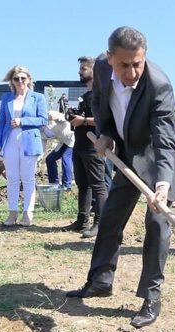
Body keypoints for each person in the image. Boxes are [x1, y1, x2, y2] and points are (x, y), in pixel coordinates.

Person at [65, 27, 175, 329]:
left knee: (157, 222)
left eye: (138, 63)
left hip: (165, 155)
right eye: (124, 65)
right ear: (110, 59)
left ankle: (151, 295)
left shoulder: (158, 85)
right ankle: (100, 280)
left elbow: (163, 140)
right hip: (130, 152)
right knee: (110, 215)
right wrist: (106, 133)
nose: (132, 72)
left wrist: (162, 185)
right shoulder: (101, 67)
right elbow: (99, 101)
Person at [0, 66, 48, 227]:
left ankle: (27, 213)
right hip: (10, 140)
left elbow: (43, 120)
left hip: (29, 141)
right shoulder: (6, 98)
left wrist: (22, 121)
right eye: (16, 79)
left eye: (23, 78)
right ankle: (12, 213)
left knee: (28, 178)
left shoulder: (37, 97)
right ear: (12, 81)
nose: (20, 81)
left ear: (29, 80)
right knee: (12, 178)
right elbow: (1, 123)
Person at [63, 56, 106, 238]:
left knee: (98, 185)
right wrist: (73, 118)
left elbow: (104, 121)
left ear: (94, 71)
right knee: (83, 185)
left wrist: (84, 121)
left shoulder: (101, 94)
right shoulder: (86, 95)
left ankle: (101, 224)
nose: (80, 72)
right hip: (79, 145)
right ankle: (82, 220)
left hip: (94, 146)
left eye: (83, 69)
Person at [44, 111, 74, 190]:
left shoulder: (50, 114)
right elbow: (42, 147)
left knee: (66, 157)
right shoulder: (40, 132)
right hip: (63, 142)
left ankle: (67, 186)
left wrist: (56, 117)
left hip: (71, 138)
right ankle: (54, 184)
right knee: (49, 159)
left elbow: (66, 117)